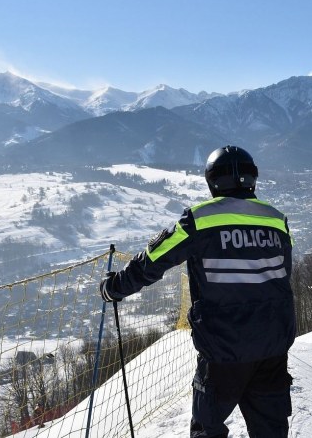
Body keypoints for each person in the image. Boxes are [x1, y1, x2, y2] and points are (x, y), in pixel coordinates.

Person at [100, 145, 296, 438]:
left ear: (211, 181)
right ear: (253, 178)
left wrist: (114, 288)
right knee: (271, 430)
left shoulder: (198, 219)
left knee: (207, 428)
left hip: (222, 349)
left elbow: (153, 261)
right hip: (273, 345)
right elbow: (282, 277)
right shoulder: (276, 220)